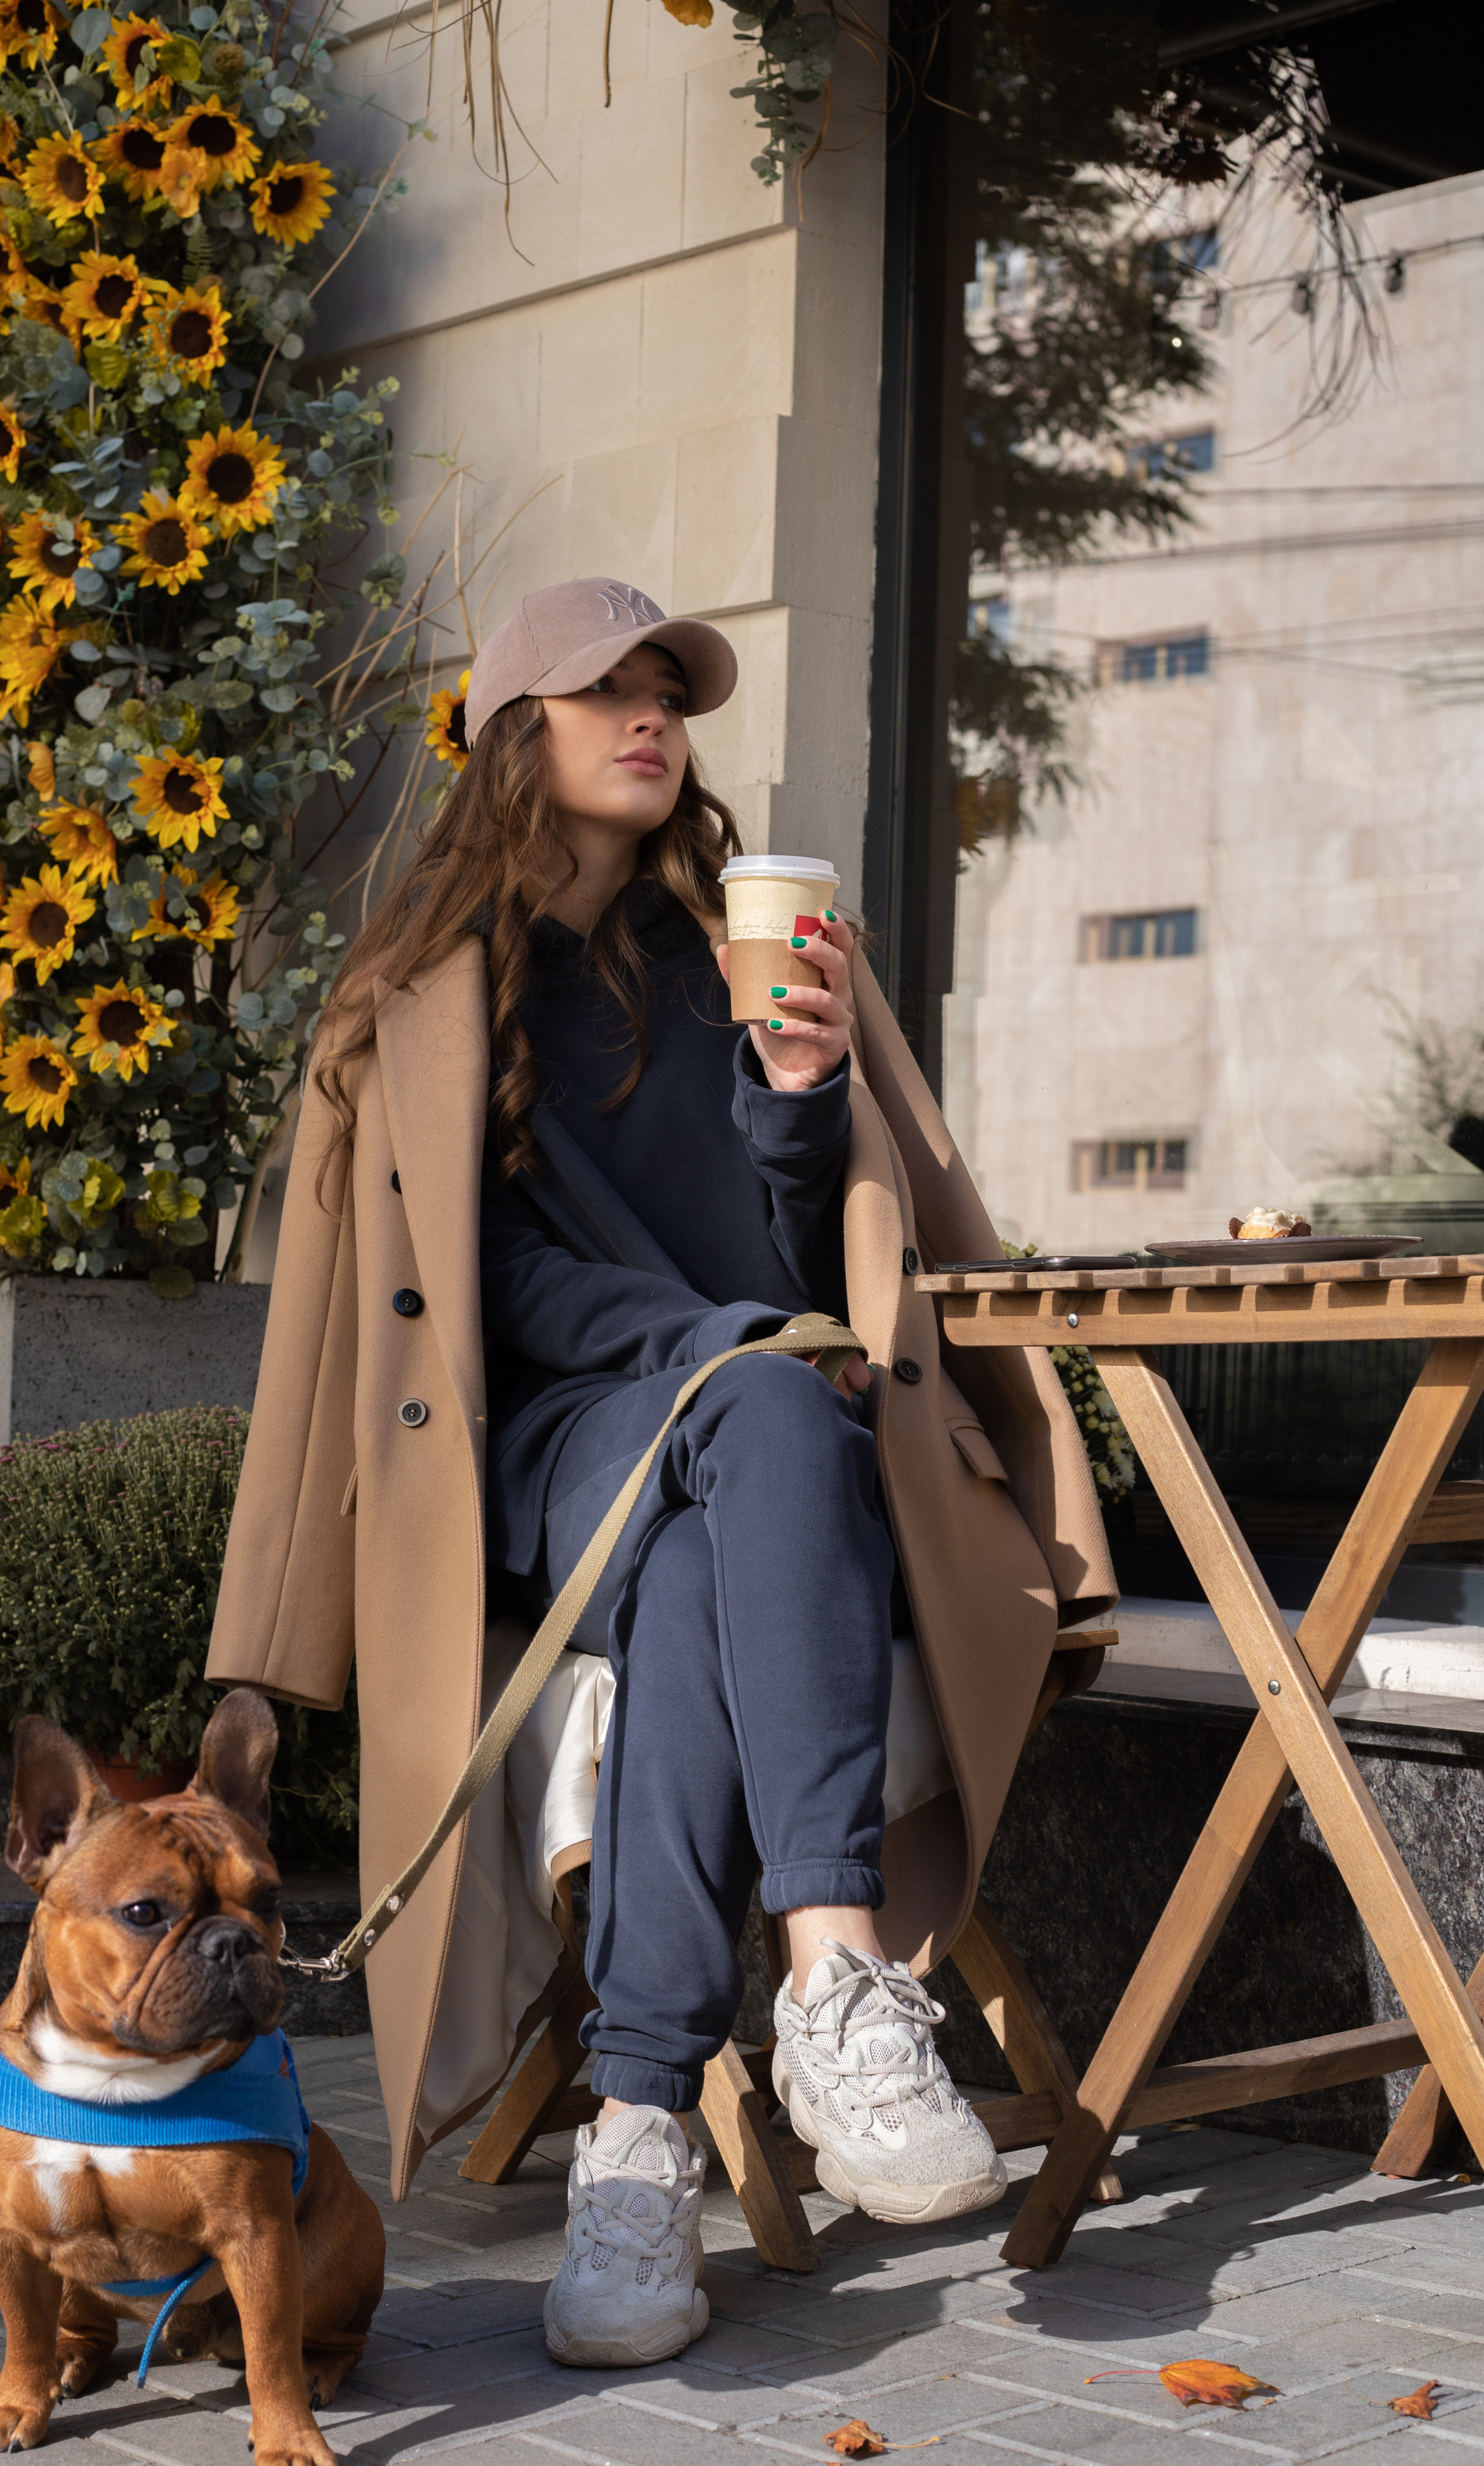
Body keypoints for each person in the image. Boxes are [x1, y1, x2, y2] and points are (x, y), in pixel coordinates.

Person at [209, 578, 1114, 2370]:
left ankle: (639, 2138)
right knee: (756, 1411)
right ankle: (835, 1986)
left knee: (743, 1493)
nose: (647, 717)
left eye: (664, 692)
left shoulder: (748, 956)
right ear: (510, 741)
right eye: (600, 692)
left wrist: (796, 1093)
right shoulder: (422, 996)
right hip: (548, 1449)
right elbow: (482, 1287)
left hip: (757, 1450)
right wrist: (690, 1347)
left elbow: (820, 1261)